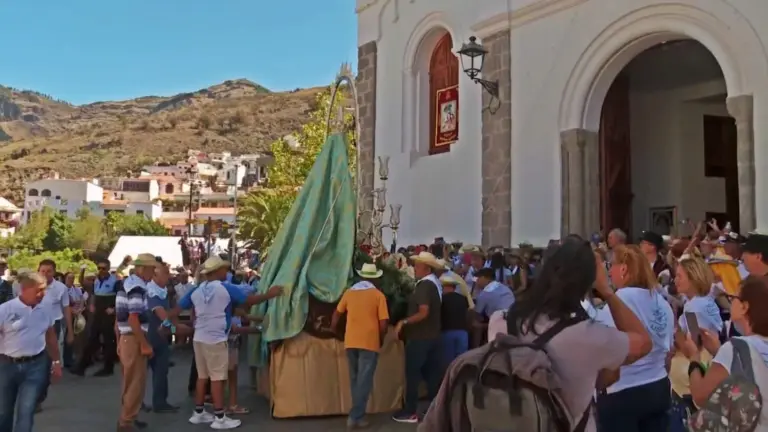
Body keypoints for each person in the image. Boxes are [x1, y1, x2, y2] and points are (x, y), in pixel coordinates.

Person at [500, 236, 653, 431]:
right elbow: (644, 343)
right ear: (588, 280)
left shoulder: (512, 318)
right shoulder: (590, 335)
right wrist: (606, 291)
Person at [177, 256, 283, 429]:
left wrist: (174, 325)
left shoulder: (197, 289)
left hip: (200, 337)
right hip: (216, 338)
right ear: (217, 271)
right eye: (224, 269)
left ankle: (199, 412)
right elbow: (248, 301)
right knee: (218, 378)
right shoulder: (225, 287)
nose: (226, 272)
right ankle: (220, 417)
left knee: (203, 376)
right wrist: (270, 295)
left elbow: (181, 305)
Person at [596, 244, 675, 431]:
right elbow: (668, 350)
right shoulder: (661, 302)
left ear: (623, 269)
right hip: (658, 385)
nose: (609, 272)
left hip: (624, 391)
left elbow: (605, 349)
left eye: (610, 266)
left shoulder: (618, 301)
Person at [0, 271, 63, 432]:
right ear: (24, 289)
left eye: (44, 290)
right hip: (6, 366)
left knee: (26, 411)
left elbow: (50, 336)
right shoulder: (5, 310)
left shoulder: (45, 310)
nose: (42, 294)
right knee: (3, 412)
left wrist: (56, 362)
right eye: (38, 290)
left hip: (35, 366)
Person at [331, 263, 389, 430]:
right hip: (369, 342)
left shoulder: (349, 293)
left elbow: (336, 315)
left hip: (351, 341)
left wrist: (336, 332)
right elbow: (383, 323)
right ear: (375, 278)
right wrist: (381, 338)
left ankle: (358, 415)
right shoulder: (378, 295)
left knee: (355, 380)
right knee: (364, 381)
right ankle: (356, 416)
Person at [392, 251, 443, 424]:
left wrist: (404, 322)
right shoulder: (434, 284)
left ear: (427, 268)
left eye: (418, 266)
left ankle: (410, 411)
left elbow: (423, 312)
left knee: (412, 374)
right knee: (431, 375)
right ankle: (437, 409)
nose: (415, 269)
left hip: (421, 337)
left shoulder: (424, 286)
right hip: (432, 336)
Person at [115, 254, 157, 431]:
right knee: (135, 382)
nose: (153, 273)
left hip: (126, 337)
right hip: (133, 337)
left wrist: (119, 340)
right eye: (151, 269)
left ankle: (129, 416)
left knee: (129, 380)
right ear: (143, 269)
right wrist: (144, 343)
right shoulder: (137, 287)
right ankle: (127, 421)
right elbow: (133, 318)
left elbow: (119, 318)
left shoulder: (126, 284)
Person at [146, 263, 190, 413]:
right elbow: (163, 316)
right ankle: (135, 405)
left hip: (160, 336)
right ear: (155, 275)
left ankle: (160, 402)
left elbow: (171, 313)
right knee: (141, 374)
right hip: (150, 336)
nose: (168, 276)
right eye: (165, 274)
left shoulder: (163, 290)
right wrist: (176, 329)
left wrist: (176, 327)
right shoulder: (152, 292)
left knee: (161, 371)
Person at [73, 257, 125, 377]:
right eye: (99, 268)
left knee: (108, 340)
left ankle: (108, 367)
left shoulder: (115, 281)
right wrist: (91, 304)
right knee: (92, 338)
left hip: (108, 310)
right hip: (98, 310)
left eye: (104, 268)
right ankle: (82, 366)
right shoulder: (96, 280)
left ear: (108, 268)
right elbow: (92, 292)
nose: (101, 270)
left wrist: (114, 308)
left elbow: (120, 295)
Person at [37, 259, 73, 411]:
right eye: (42, 271)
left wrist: (70, 331)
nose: (45, 274)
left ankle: (38, 398)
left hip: (53, 326)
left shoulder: (61, 288)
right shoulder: (31, 286)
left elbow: (66, 310)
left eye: (48, 271)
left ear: (54, 272)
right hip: (34, 326)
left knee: (45, 363)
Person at [438, 272, 469, 367]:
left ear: (445, 287)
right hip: (463, 332)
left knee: (448, 362)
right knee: (461, 361)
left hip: (447, 332)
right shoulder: (463, 298)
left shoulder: (442, 299)